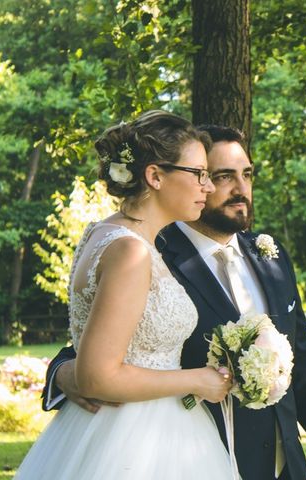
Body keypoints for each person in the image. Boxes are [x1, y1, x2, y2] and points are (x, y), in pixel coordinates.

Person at [44, 125, 306, 480]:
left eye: (247, 174)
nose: (240, 190)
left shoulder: (271, 257)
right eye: (219, 175)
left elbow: (304, 355)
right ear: (158, 176)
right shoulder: (150, 251)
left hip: (285, 463)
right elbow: (97, 350)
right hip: (182, 453)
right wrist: (64, 374)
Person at [19, 111, 234, 479]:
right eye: (198, 173)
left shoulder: (103, 234)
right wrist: (198, 380)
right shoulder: (131, 252)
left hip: (123, 429)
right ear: (154, 176)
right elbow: (97, 377)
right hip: (136, 439)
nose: (208, 187)